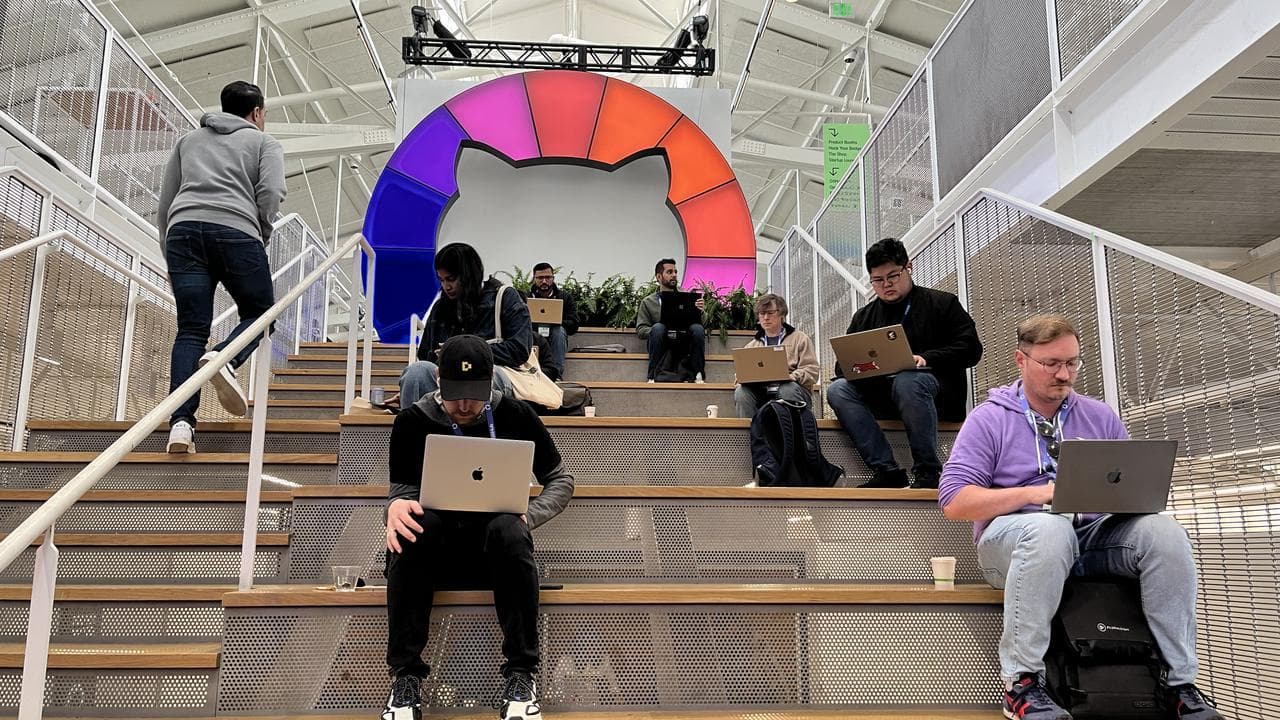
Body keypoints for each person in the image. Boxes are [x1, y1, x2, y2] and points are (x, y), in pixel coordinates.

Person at [938, 314, 1222, 720]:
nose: (1064, 373)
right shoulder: (990, 418)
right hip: (1015, 542)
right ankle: (1021, 684)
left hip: (1089, 537)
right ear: (1021, 360)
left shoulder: (1099, 415)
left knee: (1165, 533)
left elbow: (1132, 482)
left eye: (1072, 363)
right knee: (1049, 528)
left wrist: (1138, 495)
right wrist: (1038, 494)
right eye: (1051, 364)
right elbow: (954, 502)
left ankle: (1179, 683)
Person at [382, 335, 574, 720]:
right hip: (435, 551)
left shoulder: (516, 415)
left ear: (491, 382)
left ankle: (522, 675)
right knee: (414, 524)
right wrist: (395, 507)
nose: (465, 406)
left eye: (474, 394)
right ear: (438, 380)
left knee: (509, 528)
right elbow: (401, 492)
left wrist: (530, 515)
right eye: (455, 395)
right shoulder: (411, 421)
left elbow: (561, 480)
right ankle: (406, 680)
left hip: (496, 551)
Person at [158, 80, 285, 454]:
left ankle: (181, 425)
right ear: (258, 113)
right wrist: (260, 228)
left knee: (190, 330)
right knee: (263, 315)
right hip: (236, 231)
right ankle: (226, 359)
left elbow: (166, 203)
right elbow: (272, 192)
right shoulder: (264, 143)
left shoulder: (189, 141)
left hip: (183, 233)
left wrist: (171, 254)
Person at [826, 238, 981, 489]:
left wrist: (926, 359)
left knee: (908, 380)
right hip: (883, 396)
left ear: (909, 266)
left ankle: (928, 471)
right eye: (877, 280)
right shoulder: (865, 316)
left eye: (893, 276)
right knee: (837, 389)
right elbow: (842, 367)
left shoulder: (942, 303)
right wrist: (867, 367)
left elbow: (971, 349)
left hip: (935, 393)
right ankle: (886, 470)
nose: (886, 285)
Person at [401, 243, 533, 403]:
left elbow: (519, 349)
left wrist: (467, 353)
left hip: (493, 373)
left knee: (480, 375)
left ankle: (480, 427)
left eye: (451, 279)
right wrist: (413, 386)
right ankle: (412, 423)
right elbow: (425, 356)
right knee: (416, 372)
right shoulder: (440, 307)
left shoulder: (504, 297)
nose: (446, 286)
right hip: (446, 378)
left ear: (468, 275)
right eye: (441, 280)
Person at [733, 293, 818, 418]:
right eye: (762, 314)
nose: (766, 318)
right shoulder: (751, 346)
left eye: (770, 313)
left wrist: (793, 376)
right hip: (761, 392)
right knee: (741, 392)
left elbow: (812, 370)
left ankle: (792, 435)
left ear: (782, 314)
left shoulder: (800, 339)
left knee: (787, 389)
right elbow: (738, 380)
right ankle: (753, 435)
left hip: (792, 390)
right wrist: (743, 379)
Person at [635, 258, 706, 384]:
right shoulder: (648, 302)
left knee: (698, 329)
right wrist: (661, 330)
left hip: (684, 341)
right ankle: (652, 376)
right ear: (658, 277)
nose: (674, 275)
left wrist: (700, 311)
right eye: (669, 272)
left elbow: (702, 324)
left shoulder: (687, 297)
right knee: (658, 328)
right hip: (663, 342)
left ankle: (698, 374)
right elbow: (641, 330)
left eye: (675, 272)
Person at [528, 262, 579, 381]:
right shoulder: (526, 297)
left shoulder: (565, 297)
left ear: (553, 278)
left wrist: (555, 321)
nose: (544, 281)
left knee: (559, 331)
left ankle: (556, 375)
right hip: (533, 334)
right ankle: (527, 372)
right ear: (534, 279)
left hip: (555, 335)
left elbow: (574, 324)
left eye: (548, 277)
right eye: (540, 278)